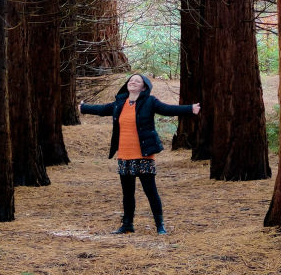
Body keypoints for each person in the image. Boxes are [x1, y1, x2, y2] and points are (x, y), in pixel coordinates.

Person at [79, 73, 199, 235]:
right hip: (124, 156)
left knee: (151, 191)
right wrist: (84, 107)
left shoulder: (150, 101)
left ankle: (160, 225)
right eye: (131, 80)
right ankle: (127, 224)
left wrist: (190, 109)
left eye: (138, 81)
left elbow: (167, 109)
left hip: (143, 155)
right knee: (127, 193)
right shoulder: (119, 103)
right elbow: (101, 109)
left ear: (144, 87)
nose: (133, 82)